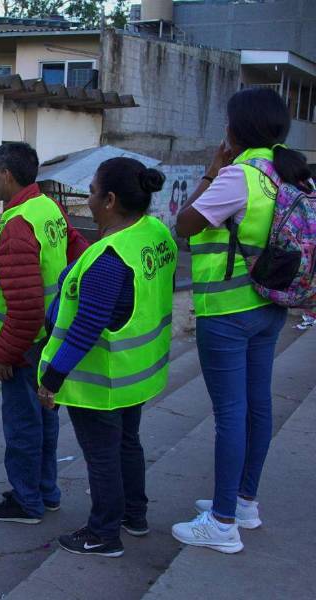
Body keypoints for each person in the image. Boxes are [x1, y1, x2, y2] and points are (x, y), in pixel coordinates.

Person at [172, 88, 312, 553]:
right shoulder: (288, 174)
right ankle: (244, 502)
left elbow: (185, 225)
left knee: (230, 414)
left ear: (237, 129)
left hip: (228, 312)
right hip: (270, 305)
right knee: (256, 406)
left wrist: (212, 170)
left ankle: (222, 521)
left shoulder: (238, 177)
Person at [37, 158, 175, 557]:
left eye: (93, 193)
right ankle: (134, 515)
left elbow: (86, 326)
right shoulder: (154, 232)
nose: (90, 201)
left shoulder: (109, 258)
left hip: (100, 378)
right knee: (128, 443)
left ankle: (103, 533)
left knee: (102, 456)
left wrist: (53, 379)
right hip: (139, 371)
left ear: (111, 200)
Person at [0, 142, 88, 523]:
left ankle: (27, 502)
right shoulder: (48, 207)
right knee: (44, 418)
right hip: (47, 338)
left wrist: (2, 354)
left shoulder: (19, 225)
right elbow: (79, 251)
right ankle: (46, 491)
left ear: (7, 175)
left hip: (23, 346)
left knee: (23, 424)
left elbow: (25, 308)